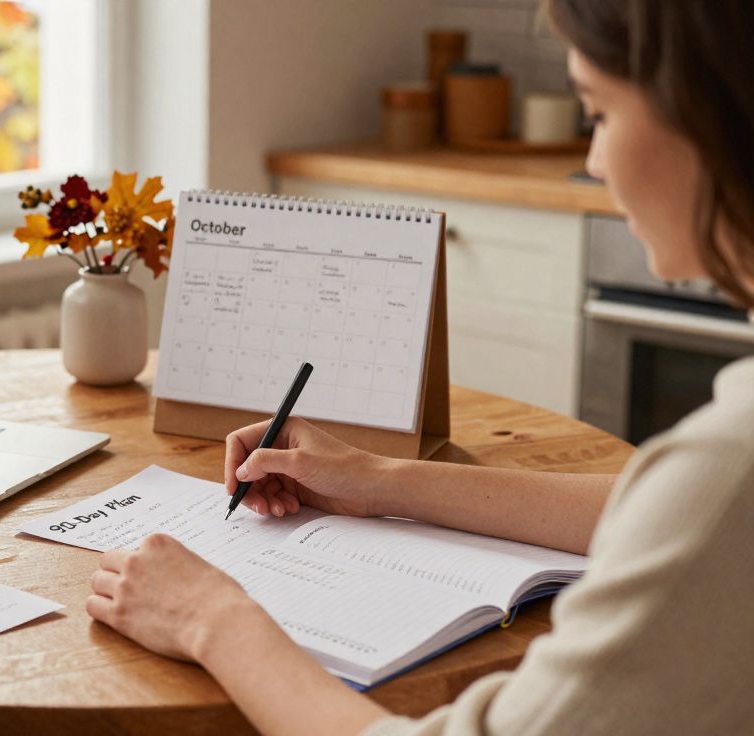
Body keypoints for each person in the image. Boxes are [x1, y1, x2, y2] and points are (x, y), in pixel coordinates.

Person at [85, 1, 754, 733]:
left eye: (597, 113)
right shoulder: (717, 476)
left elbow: (704, 504)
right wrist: (379, 481)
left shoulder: (733, 461)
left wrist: (212, 619)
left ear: (704, 112)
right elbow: (665, 510)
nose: (592, 161)